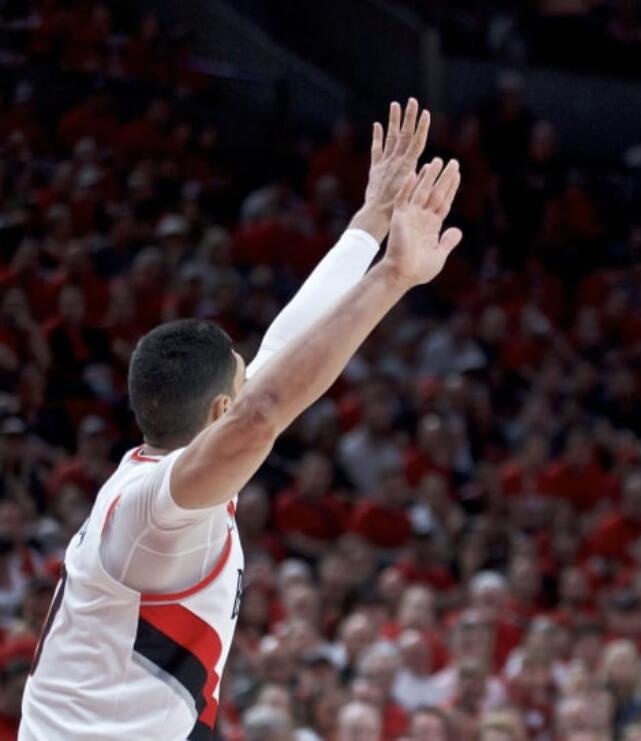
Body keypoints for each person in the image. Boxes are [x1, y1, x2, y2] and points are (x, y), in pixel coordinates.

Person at [20, 99, 465, 740]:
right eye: (241, 372)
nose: (254, 369)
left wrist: (370, 221)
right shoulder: (154, 510)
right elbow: (263, 412)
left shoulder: (156, 475)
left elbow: (286, 346)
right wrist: (393, 276)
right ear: (220, 412)